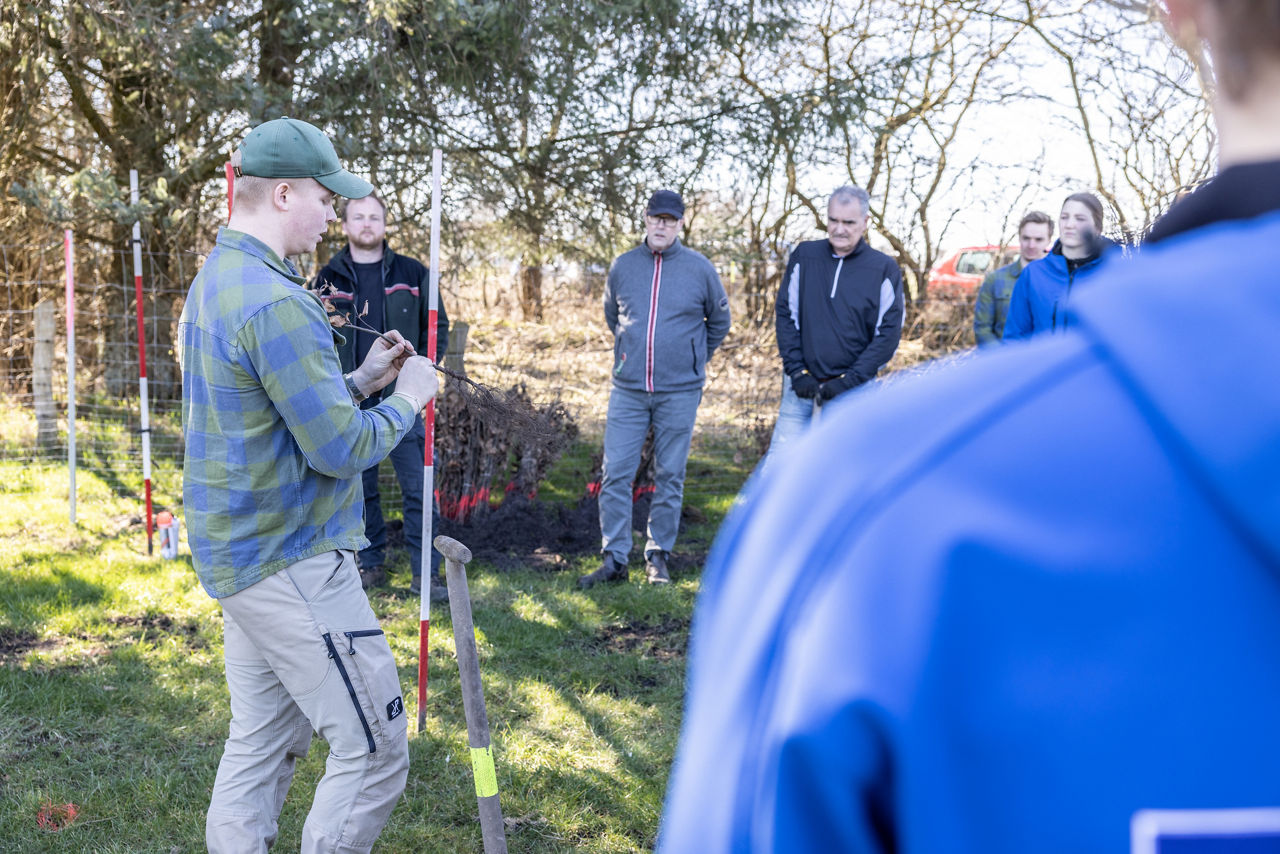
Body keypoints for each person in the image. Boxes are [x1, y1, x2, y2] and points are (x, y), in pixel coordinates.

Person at [659, 0, 1280, 850]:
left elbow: (889, 331)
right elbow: (801, 318)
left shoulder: (876, 512)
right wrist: (807, 372)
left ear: (1180, 13)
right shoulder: (865, 488)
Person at [179, 117, 439, 853]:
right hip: (291, 560)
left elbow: (275, 413)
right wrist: (410, 395)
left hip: (241, 559)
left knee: (260, 747)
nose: (335, 215)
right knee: (376, 750)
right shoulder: (280, 302)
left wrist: (357, 380)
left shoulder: (219, 280)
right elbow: (339, 449)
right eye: (327, 198)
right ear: (284, 193)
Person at [579, 189, 731, 588]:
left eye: (670, 219)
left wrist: (693, 359)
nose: (662, 225)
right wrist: (631, 355)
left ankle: (657, 555)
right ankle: (614, 558)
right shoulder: (623, 266)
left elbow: (719, 323)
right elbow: (614, 317)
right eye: (655, 217)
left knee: (670, 475)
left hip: (680, 391)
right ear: (645, 220)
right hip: (628, 389)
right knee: (615, 474)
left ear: (681, 224)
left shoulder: (700, 269)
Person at [315, 192, 451, 601]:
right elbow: (315, 337)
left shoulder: (413, 273)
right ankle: (369, 564)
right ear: (345, 224)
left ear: (385, 223)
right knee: (359, 490)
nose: (367, 224)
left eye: (374, 217)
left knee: (419, 488)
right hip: (350, 401)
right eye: (358, 217)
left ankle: (426, 574)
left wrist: (418, 372)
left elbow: (438, 327)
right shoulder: (328, 278)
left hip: (404, 401)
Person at [766, 185, 903, 458]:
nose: (839, 229)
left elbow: (887, 334)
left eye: (848, 222)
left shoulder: (883, 268)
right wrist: (796, 371)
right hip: (800, 385)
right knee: (781, 469)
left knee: (841, 470)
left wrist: (849, 381)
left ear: (865, 222)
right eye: (833, 220)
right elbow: (786, 314)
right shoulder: (805, 256)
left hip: (853, 391)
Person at [1002, 192, 1113, 340]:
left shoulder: (1113, 275)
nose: (1069, 225)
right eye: (1064, 217)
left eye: (1080, 219)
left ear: (1097, 228)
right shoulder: (1033, 273)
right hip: (1041, 363)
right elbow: (1015, 337)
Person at [972, 210, 1054, 345]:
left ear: (1049, 240)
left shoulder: (1059, 280)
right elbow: (983, 330)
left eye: (1038, 239)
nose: (1031, 245)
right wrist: (1004, 362)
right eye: (1026, 238)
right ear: (1019, 237)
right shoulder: (995, 280)